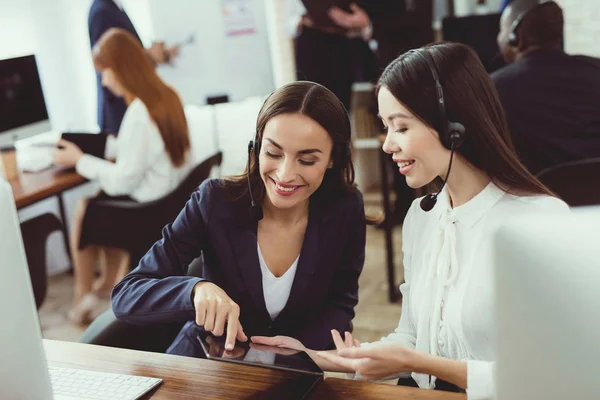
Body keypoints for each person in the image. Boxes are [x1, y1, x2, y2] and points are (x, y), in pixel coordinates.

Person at [252, 42, 569, 399]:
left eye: (400, 128)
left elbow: (553, 378)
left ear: (452, 126)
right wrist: (326, 358)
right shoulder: (422, 217)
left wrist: (421, 363)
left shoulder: (539, 222)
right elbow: (413, 338)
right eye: (385, 127)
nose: (387, 144)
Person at [110, 81, 367, 355]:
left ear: (332, 159)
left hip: (294, 370)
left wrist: (302, 348)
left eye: (306, 160)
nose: (285, 174)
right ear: (256, 147)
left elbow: (341, 302)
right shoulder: (214, 201)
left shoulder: (346, 208)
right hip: (204, 366)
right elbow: (127, 295)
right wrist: (195, 290)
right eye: (273, 153)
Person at [52, 28, 193, 324]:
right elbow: (147, 150)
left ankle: (83, 296)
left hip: (149, 211)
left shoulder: (139, 114)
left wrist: (79, 160)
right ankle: (104, 285)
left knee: (86, 209)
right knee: (98, 201)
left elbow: (122, 180)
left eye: (105, 73)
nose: (104, 81)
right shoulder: (166, 96)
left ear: (120, 69)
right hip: (168, 198)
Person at [327, 0, 434, 226]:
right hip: (378, 68)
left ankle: (424, 205)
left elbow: (418, 20)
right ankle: (404, 206)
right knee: (391, 144)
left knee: (418, 141)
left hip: (411, 70)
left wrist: (369, 24)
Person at [493, 0, 600, 175]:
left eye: (501, 30)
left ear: (516, 39)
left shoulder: (494, 88)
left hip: (538, 198)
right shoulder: (596, 70)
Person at [88, 0, 179, 134]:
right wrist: (149, 57)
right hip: (121, 112)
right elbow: (112, 62)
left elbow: (124, 55)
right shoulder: (103, 11)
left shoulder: (113, 7)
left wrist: (151, 55)